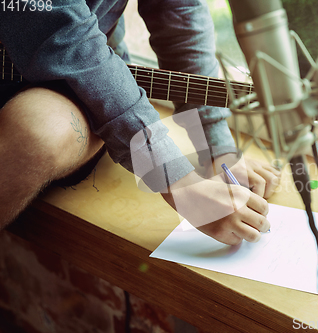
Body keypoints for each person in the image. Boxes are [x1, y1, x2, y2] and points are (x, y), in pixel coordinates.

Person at [0, 0, 281, 245]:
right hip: (74, 66)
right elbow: (63, 34)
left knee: (43, 129)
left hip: (69, 88)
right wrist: (180, 184)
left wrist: (216, 145)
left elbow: (179, 15)